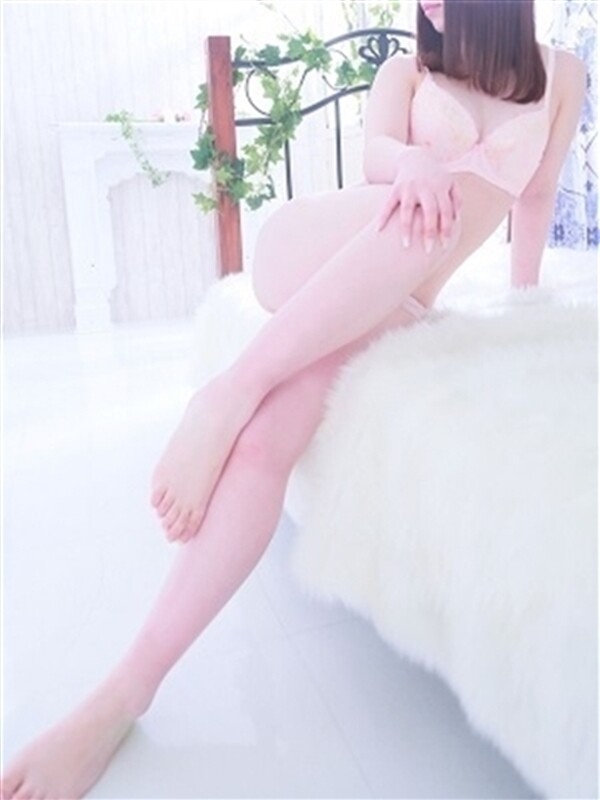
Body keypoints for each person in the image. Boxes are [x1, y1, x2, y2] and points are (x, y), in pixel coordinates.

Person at [1, 1, 586, 797]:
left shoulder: (563, 75)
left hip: (390, 296)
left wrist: (522, 308)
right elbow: (378, 155)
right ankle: (228, 389)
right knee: (429, 214)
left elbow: (535, 198)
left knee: (267, 438)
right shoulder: (407, 72)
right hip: (305, 250)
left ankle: (123, 692)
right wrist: (414, 164)